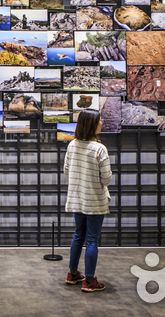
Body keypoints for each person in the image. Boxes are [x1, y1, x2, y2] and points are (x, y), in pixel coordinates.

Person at [63, 109, 112, 292]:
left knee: (78, 236)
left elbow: (67, 172)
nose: (102, 122)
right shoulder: (99, 149)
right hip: (95, 200)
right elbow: (106, 179)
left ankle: (73, 273)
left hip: (78, 198)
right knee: (92, 240)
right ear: (92, 124)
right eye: (100, 120)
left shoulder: (72, 145)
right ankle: (89, 281)